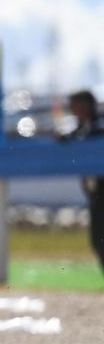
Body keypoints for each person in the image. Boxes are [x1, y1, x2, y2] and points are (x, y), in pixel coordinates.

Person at [63, 90, 104, 272]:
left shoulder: (98, 125)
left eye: (76, 105)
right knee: (97, 239)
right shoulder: (80, 129)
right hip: (94, 195)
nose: (73, 110)